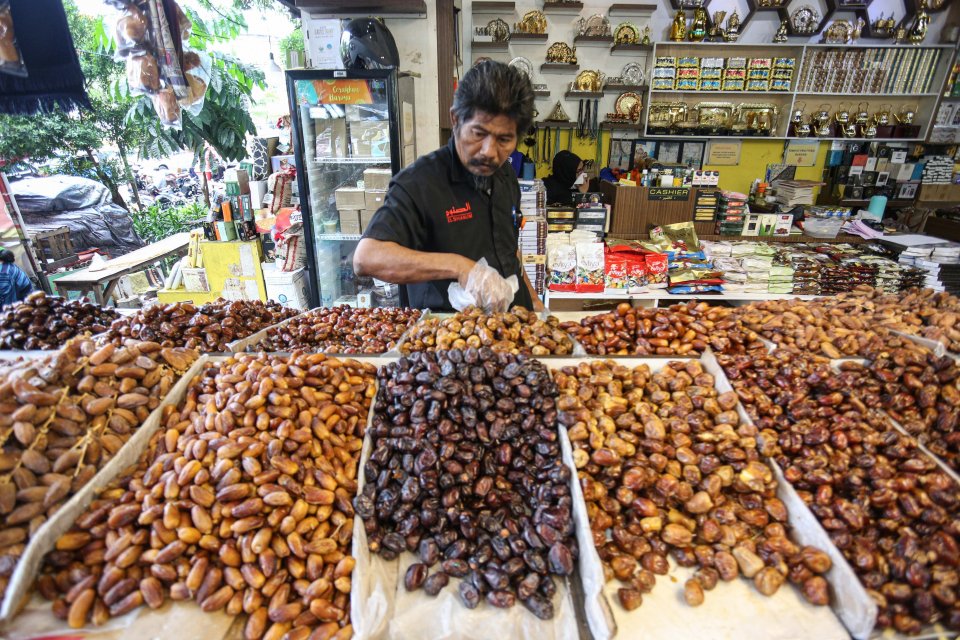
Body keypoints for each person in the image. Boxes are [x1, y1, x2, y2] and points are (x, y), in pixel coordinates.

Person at [353, 60, 541, 312]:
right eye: (478, 133)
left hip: (514, 328)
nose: (489, 152)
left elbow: (511, 253)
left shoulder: (505, 174)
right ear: (455, 119)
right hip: (450, 339)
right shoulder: (419, 182)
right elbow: (366, 258)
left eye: (504, 139)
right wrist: (461, 267)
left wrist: (536, 304)